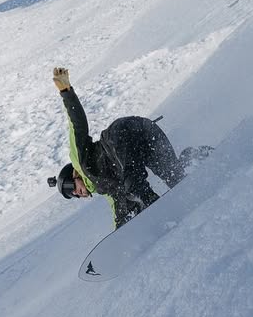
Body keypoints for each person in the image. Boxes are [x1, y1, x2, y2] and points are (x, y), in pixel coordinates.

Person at [50, 66, 192, 229]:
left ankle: (164, 216)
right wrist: (120, 235)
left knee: (134, 186)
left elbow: (78, 124)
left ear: (74, 174)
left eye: (70, 187)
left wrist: (66, 92)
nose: (75, 193)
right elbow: (120, 213)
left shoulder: (80, 161)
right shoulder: (108, 189)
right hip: (146, 137)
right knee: (175, 176)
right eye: (71, 195)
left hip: (121, 135)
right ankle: (198, 158)